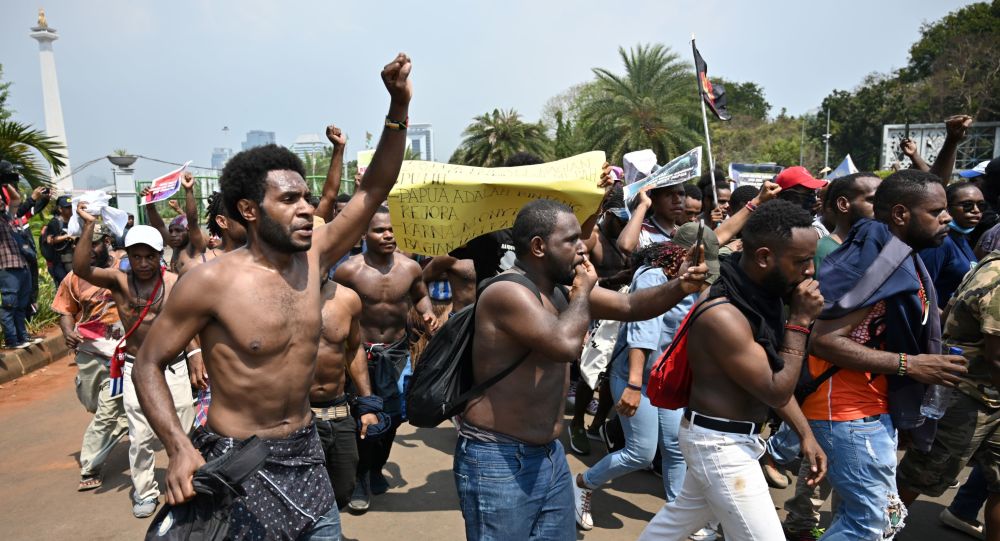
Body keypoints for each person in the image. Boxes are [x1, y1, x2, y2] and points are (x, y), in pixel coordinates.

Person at [131, 53, 413, 540]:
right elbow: (148, 363)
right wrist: (177, 446)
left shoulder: (316, 257)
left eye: (306, 197)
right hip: (239, 462)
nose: (306, 209)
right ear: (249, 209)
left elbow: (373, 189)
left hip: (306, 455)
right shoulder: (211, 282)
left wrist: (397, 108)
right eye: (289, 200)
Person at [454, 198, 709, 541]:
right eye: (571, 240)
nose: (583, 248)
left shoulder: (559, 289)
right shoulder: (507, 292)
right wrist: (583, 294)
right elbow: (564, 346)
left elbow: (630, 305)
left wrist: (680, 286)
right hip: (498, 458)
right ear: (539, 247)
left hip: (548, 455)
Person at [638, 199, 827, 541]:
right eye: (801, 261)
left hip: (729, 437)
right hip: (719, 445)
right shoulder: (723, 314)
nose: (810, 271)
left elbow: (766, 375)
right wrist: (799, 322)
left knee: (673, 525)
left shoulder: (760, 298)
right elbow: (774, 388)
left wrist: (806, 434)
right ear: (764, 257)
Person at [804, 169, 969, 540]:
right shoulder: (872, 262)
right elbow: (825, 341)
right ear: (899, 215)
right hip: (847, 413)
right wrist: (913, 365)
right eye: (936, 211)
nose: (948, 218)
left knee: (859, 518)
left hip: (872, 409)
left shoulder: (896, 254)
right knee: (877, 523)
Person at [573, 223, 720, 536]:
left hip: (665, 380)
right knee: (640, 452)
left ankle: (680, 516)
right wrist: (634, 386)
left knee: (674, 449)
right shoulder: (653, 277)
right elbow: (644, 334)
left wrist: (754, 205)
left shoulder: (690, 279)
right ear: (678, 254)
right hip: (635, 377)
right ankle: (584, 484)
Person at [72, 206, 198, 518]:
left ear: (160, 255)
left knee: (183, 430)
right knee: (140, 434)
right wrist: (88, 226)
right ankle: (145, 491)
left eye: (149, 256)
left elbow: (189, 322)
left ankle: (185, 483)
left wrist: (195, 355)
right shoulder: (119, 281)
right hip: (136, 367)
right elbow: (81, 269)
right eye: (136, 256)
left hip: (173, 365)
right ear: (127, 254)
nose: (143, 263)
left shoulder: (175, 283)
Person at [775, 172, 880, 541]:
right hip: (826, 374)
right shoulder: (828, 251)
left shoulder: (873, 248)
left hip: (857, 383)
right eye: (873, 199)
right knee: (821, 460)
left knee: (836, 471)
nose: (881, 208)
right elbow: (819, 324)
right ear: (844, 205)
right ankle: (802, 523)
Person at [333, 206, 438, 512]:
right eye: (380, 230)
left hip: (396, 352)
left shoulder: (410, 268)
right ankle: (361, 475)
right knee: (363, 415)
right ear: (364, 235)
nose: (388, 235)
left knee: (392, 417)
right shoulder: (348, 271)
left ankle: (377, 466)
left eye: (391, 229)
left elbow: (420, 294)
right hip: (358, 353)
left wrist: (427, 311)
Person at [896, 248, 1000, 540]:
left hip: (988, 395)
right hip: (967, 395)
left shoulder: (991, 261)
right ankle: (873, 533)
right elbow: (997, 358)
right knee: (919, 476)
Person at [52, 222, 129, 491]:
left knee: (108, 408)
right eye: (78, 244)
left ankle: (90, 466)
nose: (85, 249)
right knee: (92, 402)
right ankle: (125, 418)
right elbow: (65, 310)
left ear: (106, 240)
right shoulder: (73, 277)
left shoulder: (127, 264)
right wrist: (67, 331)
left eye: (92, 243)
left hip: (122, 351)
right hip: (89, 351)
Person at [312, 276, 382, 511]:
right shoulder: (278, 297)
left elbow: (353, 349)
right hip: (298, 415)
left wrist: (368, 404)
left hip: (339, 411)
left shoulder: (347, 298)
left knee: (343, 488)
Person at [920, 181, 984, 309]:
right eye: (967, 205)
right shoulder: (941, 243)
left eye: (981, 205)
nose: (976, 210)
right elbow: (920, 292)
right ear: (947, 208)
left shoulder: (961, 238)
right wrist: (941, 319)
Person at [0, 184, 31, 349]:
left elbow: (16, 199)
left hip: (21, 265)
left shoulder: (8, 217)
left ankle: (22, 337)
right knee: (9, 304)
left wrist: (5, 182)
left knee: (21, 305)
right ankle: (11, 340)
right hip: (7, 267)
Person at [774, 166, 829, 238]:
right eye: (808, 194)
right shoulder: (771, 227)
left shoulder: (817, 226)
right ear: (788, 197)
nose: (813, 199)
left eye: (813, 193)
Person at [43, 194, 77, 286]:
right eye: (67, 207)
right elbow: (50, 240)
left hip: (72, 258)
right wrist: (67, 237)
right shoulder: (55, 222)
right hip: (58, 262)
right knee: (64, 285)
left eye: (71, 207)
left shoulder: (73, 222)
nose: (70, 210)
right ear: (60, 209)